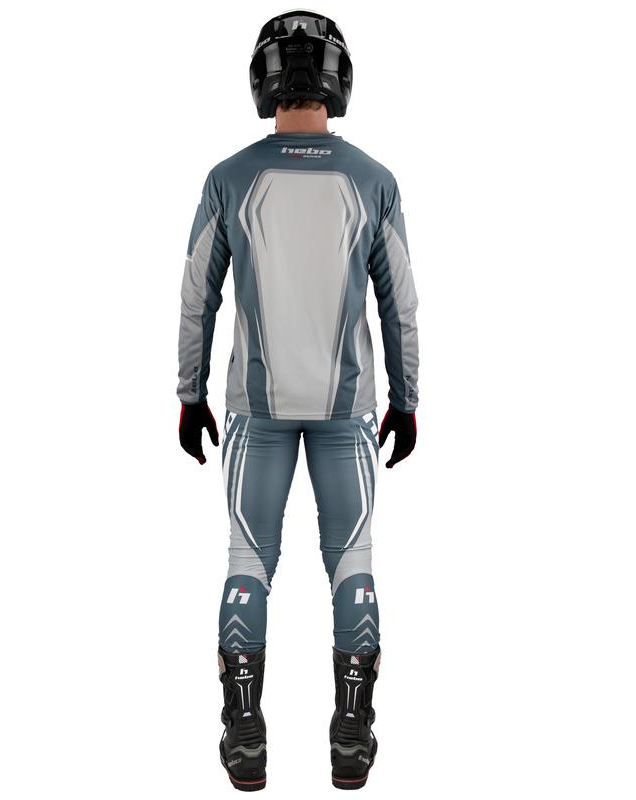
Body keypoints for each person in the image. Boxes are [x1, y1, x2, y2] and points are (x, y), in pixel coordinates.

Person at [176, 10, 419, 791]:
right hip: (348, 411)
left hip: (257, 409)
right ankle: (353, 731)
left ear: (263, 80)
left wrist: (188, 394)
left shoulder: (229, 178)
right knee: (353, 563)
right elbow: (400, 306)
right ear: (341, 80)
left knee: (248, 561)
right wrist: (408, 399)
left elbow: (197, 298)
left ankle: (243, 730)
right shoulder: (374, 180)